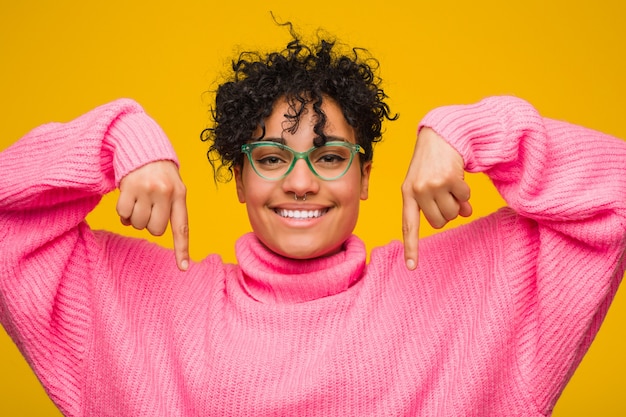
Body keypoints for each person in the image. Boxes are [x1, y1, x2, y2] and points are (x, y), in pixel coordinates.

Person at [0, 27, 624, 417]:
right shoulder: (142, 305)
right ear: (239, 178)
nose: (301, 181)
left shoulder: (470, 294)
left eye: (329, 157)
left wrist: (469, 131)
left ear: (366, 175)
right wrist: (119, 138)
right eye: (271, 158)